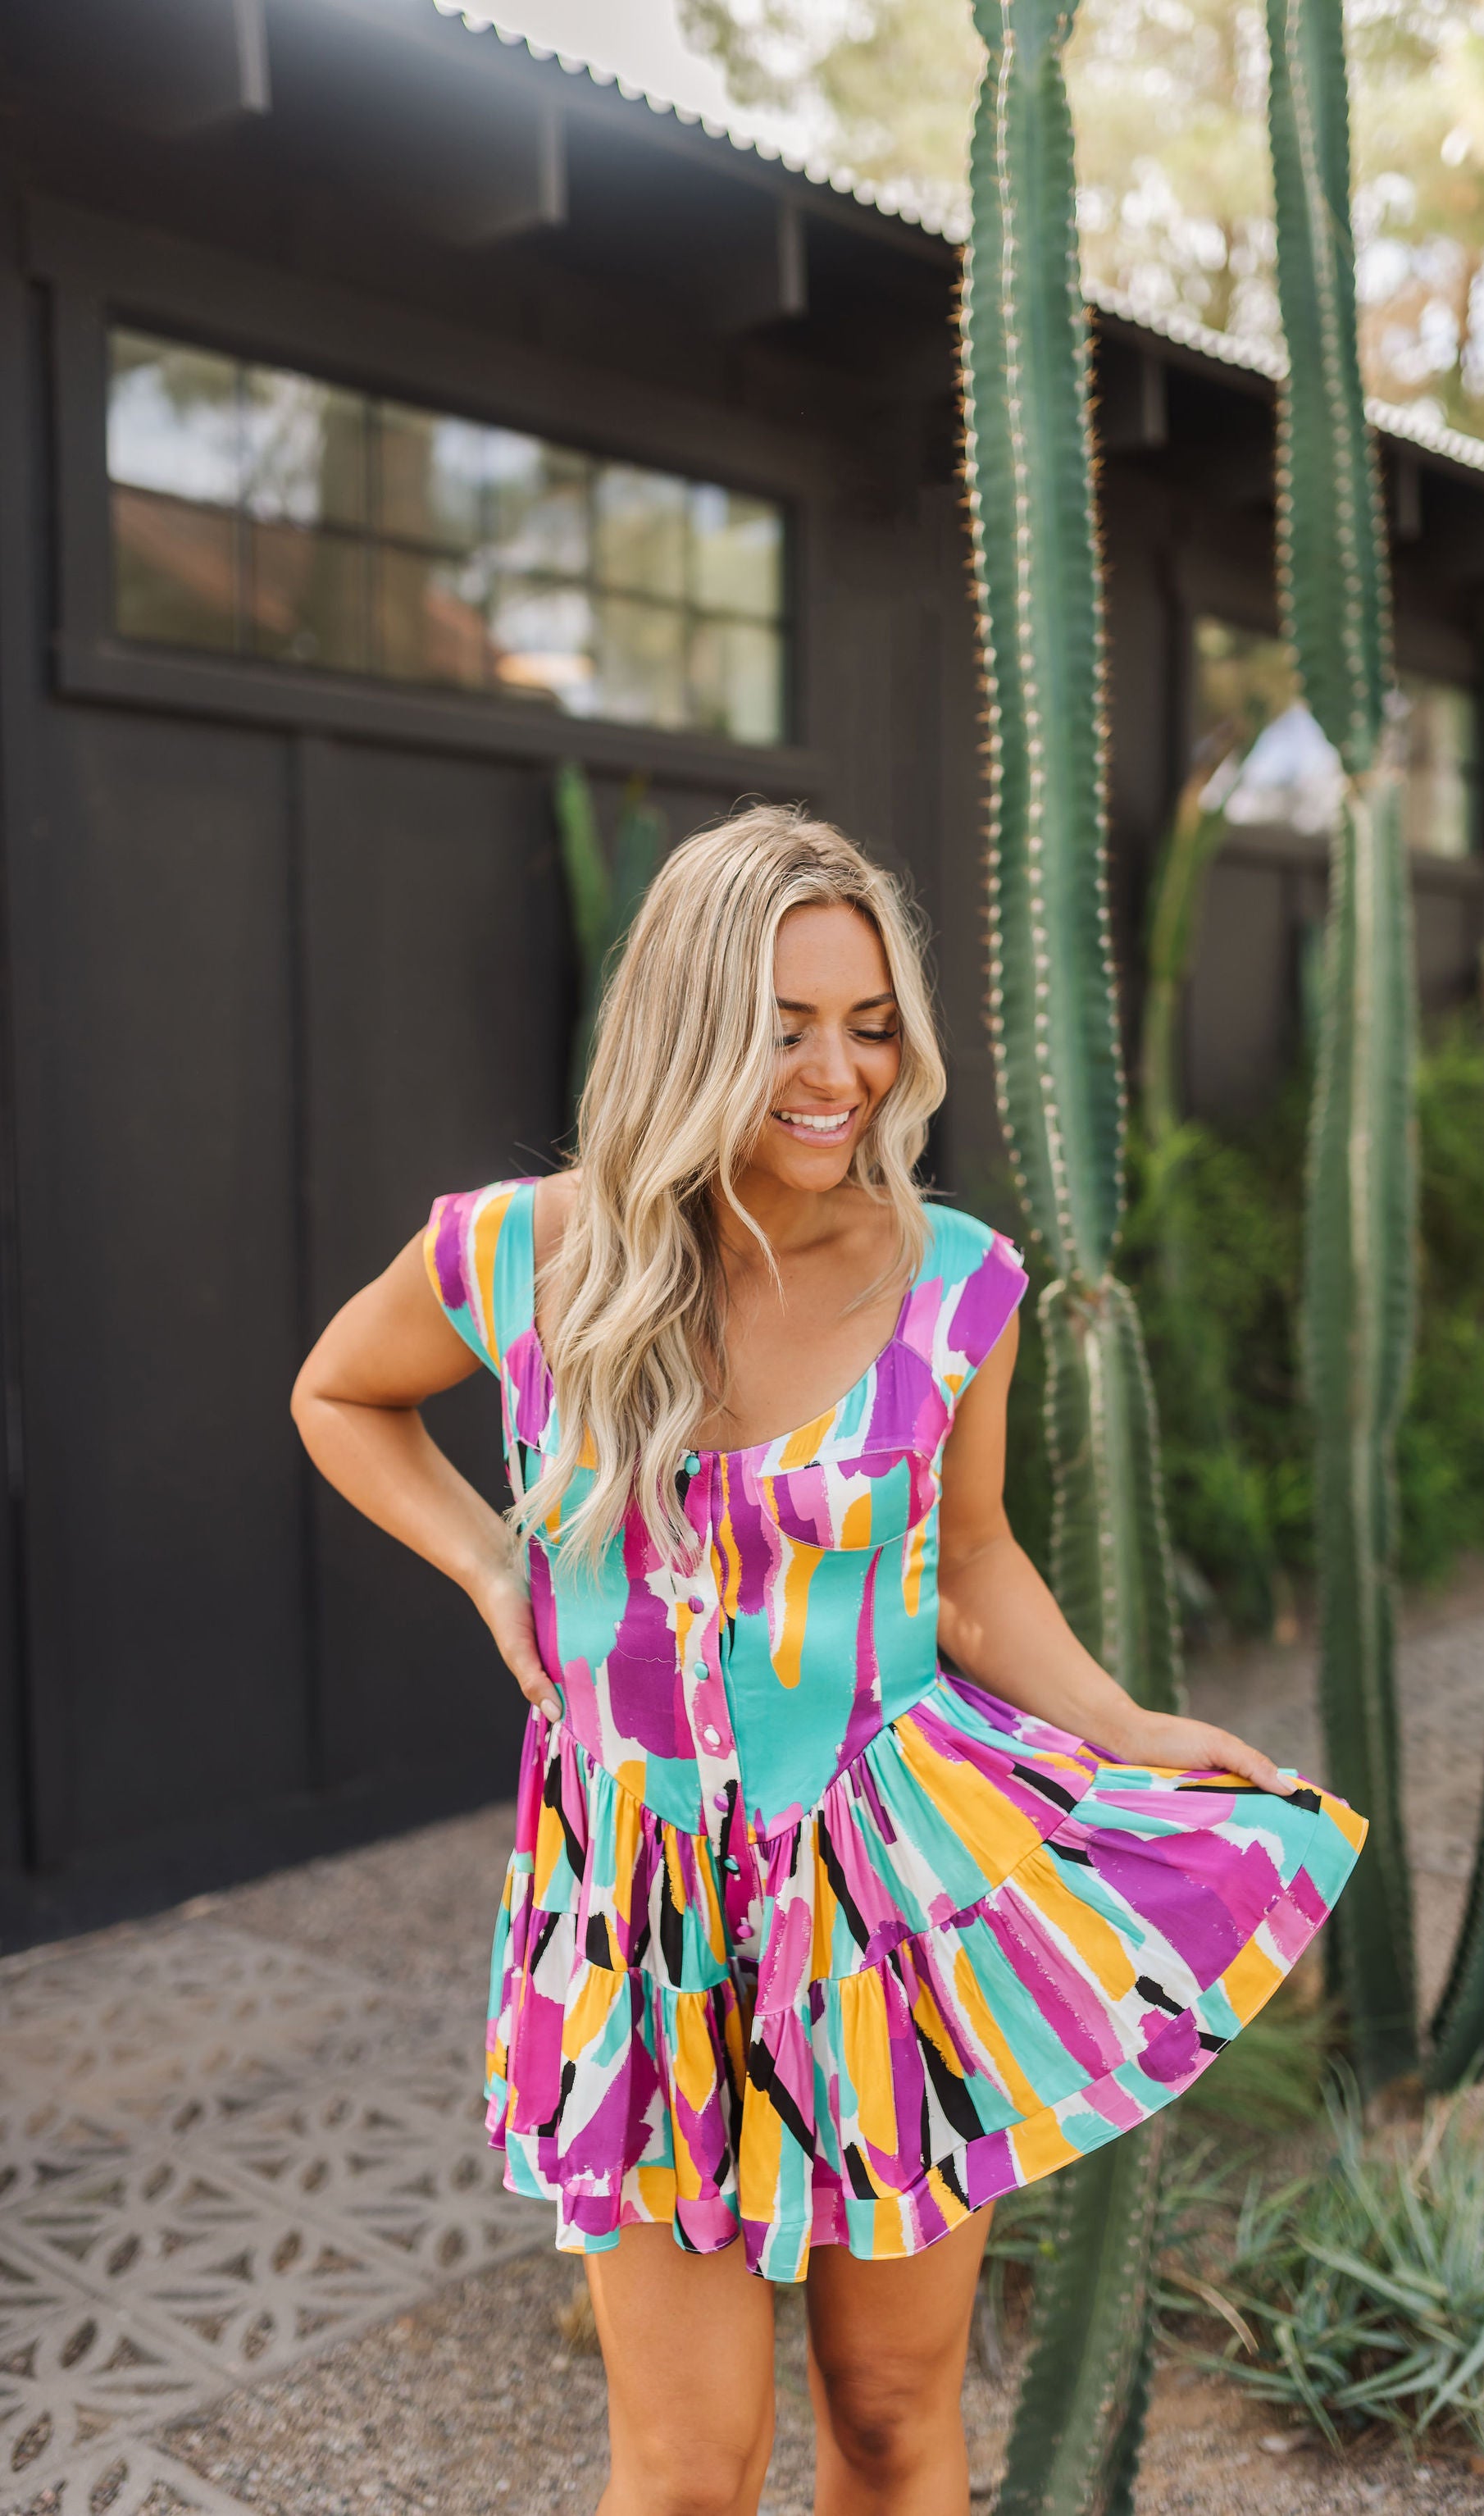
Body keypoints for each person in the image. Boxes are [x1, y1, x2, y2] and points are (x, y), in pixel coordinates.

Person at [292, 805, 1364, 2516]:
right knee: (690, 2464)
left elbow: (976, 1559)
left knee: (883, 2414)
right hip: (633, 1921)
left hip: (886, 1906)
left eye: (869, 1024)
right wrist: (492, 1561)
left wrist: (1123, 1719)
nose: (839, 1071)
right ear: (688, 1022)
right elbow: (339, 1393)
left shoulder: (958, 1283)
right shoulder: (523, 1254)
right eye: (788, 1022)